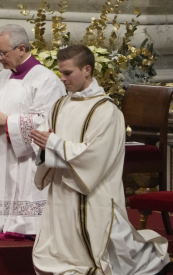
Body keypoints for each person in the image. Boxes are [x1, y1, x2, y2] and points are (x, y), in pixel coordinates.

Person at [30, 45, 170, 274]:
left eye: (68, 73)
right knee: (62, 245)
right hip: (62, 190)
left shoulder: (107, 111)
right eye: (60, 73)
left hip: (93, 191)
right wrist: (42, 146)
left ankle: (152, 259)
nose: (62, 79)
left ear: (87, 69)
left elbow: (95, 156)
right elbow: (45, 139)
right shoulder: (59, 105)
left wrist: (53, 144)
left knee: (110, 250)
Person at [0, 24, 64, 240]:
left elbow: (46, 121)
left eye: (2, 52)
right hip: (2, 147)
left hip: (28, 156)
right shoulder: (2, 78)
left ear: (21, 48)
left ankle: (27, 226)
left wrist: (7, 121)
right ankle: (2, 222)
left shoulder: (46, 79)